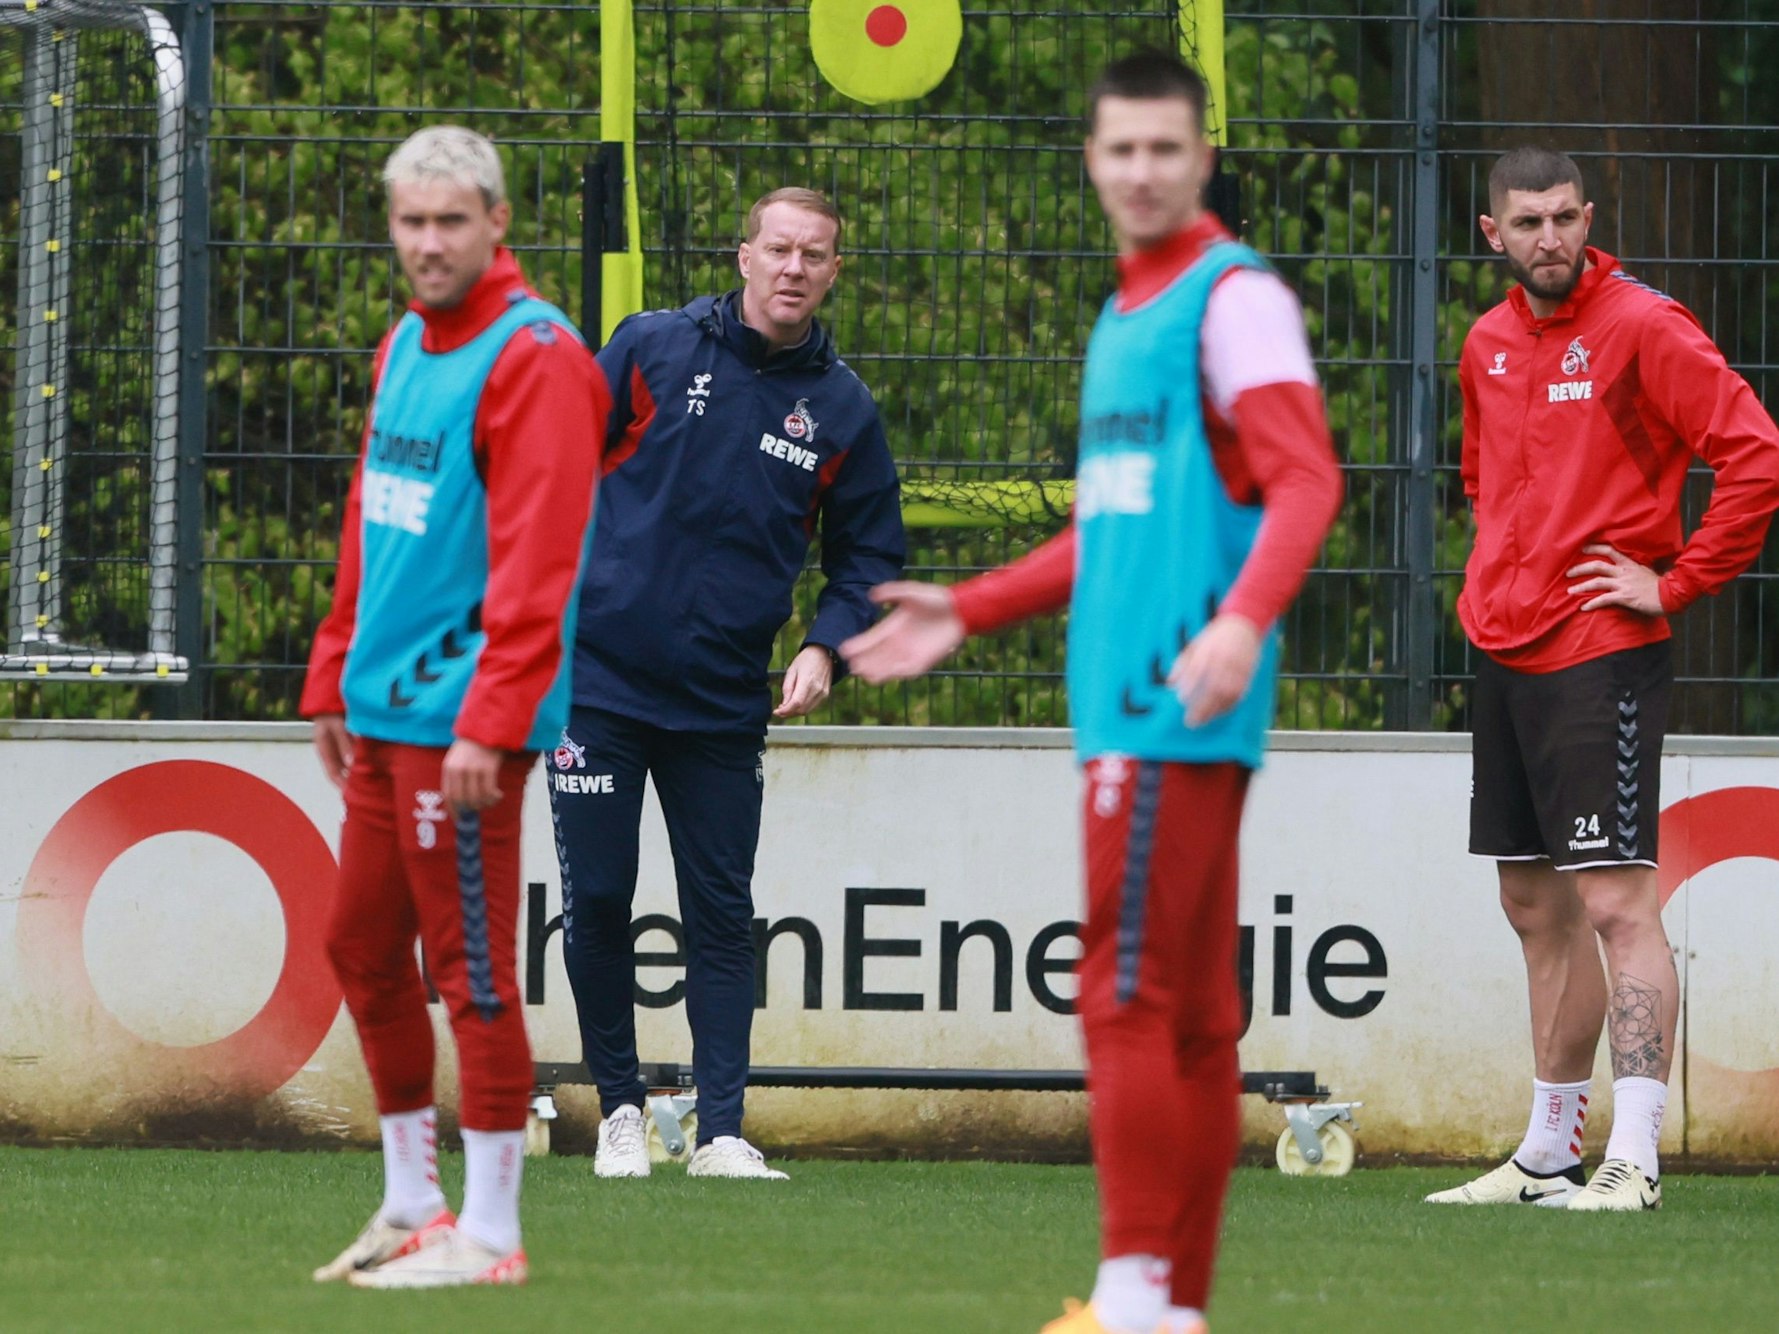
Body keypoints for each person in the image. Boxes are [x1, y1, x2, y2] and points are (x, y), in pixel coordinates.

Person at [843, 53, 1341, 1334]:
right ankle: (1171, 1305)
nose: (1140, 171)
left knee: (1122, 994)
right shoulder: (1129, 314)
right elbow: (1112, 528)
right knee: (1182, 1018)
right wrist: (974, 603)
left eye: (1165, 150)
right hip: (1145, 699)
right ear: (1091, 157)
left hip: (1163, 699)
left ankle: (1132, 1294)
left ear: (1199, 156)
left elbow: (1308, 480)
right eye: (1119, 149)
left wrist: (1241, 618)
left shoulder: (1229, 299)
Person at [1424, 147, 1779, 1212]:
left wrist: (1672, 585)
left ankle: (1635, 1157)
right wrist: (1494, 577)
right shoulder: (1485, 342)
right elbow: (1487, 483)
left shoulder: (1642, 325)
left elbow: (1755, 453)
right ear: (1493, 234)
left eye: (1566, 217)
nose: (1550, 238)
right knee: (1534, 901)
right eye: (1527, 222)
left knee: (1619, 901)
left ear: (1589, 217)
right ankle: (1546, 1151)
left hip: (1603, 652)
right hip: (1504, 645)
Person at [300, 125, 607, 1286]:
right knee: (359, 944)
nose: (428, 244)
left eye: (449, 222)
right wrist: (334, 665)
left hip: (460, 723)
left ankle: (491, 1236)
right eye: (410, 223)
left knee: (471, 966)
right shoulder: (408, 343)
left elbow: (543, 558)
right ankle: (413, 1200)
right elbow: (371, 516)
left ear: (496, 225)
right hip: (382, 712)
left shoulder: (535, 356)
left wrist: (495, 711)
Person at [550, 187, 905, 1181]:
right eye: (779, 248)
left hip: (721, 702)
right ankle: (620, 1112)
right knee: (603, 898)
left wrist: (828, 644)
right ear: (743, 254)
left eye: (816, 254)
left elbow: (869, 555)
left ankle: (721, 1132)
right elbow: (553, 461)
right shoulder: (652, 348)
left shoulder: (841, 408)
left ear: (835, 271)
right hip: (598, 685)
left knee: (720, 909)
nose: (794, 267)